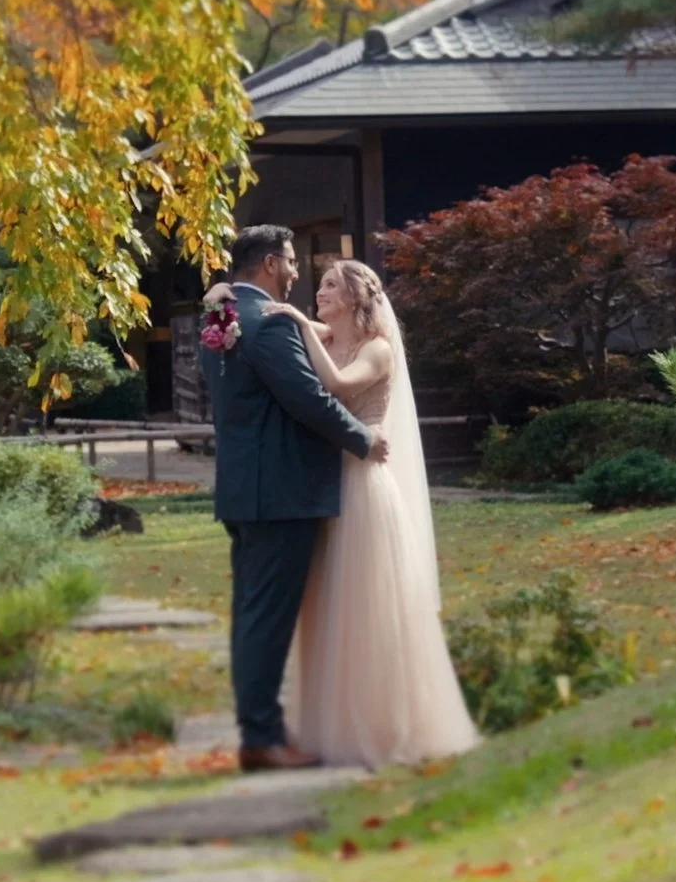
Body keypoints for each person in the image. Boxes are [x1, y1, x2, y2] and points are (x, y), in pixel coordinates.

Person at [261, 258, 480, 769]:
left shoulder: (377, 349)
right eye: (320, 287)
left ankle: (386, 725)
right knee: (328, 606)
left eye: (331, 285)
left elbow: (337, 384)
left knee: (365, 606)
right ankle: (332, 722)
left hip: (362, 485)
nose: (320, 293)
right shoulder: (329, 333)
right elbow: (302, 328)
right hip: (322, 482)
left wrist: (295, 320)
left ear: (357, 297)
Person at [197, 226, 387, 773]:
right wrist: (363, 438)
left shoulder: (220, 320)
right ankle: (262, 739)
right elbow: (307, 399)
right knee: (267, 620)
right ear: (270, 264)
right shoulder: (267, 324)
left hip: (243, 489)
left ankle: (260, 731)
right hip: (282, 492)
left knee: (252, 616)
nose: (297, 272)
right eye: (291, 261)